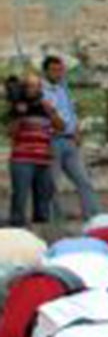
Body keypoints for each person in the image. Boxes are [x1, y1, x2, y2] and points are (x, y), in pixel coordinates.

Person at [40, 55, 99, 220]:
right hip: (51, 141)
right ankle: (54, 218)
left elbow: (70, 112)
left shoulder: (63, 88)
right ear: (45, 71)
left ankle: (93, 216)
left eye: (61, 70)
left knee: (84, 181)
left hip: (69, 141)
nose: (58, 74)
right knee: (51, 185)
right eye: (54, 70)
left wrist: (77, 130)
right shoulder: (40, 92)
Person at [8, 72, 59, 227]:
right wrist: (19, 115)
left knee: (43, 199)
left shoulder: (46, 106)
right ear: (24, 88)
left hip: (43, 160)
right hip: (22, 160)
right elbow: (11, 132)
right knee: (20, 198)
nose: (33, 89)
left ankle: (42, 232)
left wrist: (51, 112)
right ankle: (17, 232)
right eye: (30, 85)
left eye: (37, 85)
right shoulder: (17, 106)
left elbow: (61, 127)